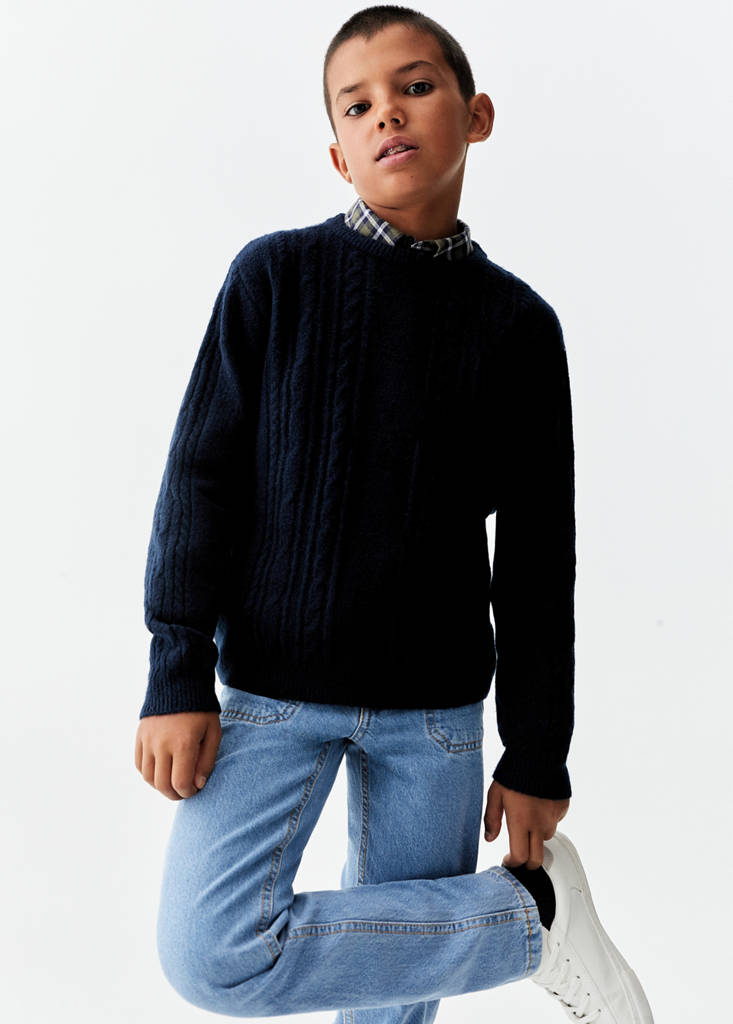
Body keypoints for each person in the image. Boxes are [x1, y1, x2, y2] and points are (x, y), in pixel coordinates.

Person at [134, 6, 655, 1021]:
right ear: (337, 154)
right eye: (357, 104)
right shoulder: (274, 278)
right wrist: (175, 668)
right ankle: (529, 919)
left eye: (414, 87)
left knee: (395, 1001)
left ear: (476, 115)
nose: (387, 113)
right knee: (212, 955)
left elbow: (536, 557)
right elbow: (199, 480)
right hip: (271, 698)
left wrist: (536, 750)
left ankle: (522, 918)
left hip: (434, 720)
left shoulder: (518, 327)